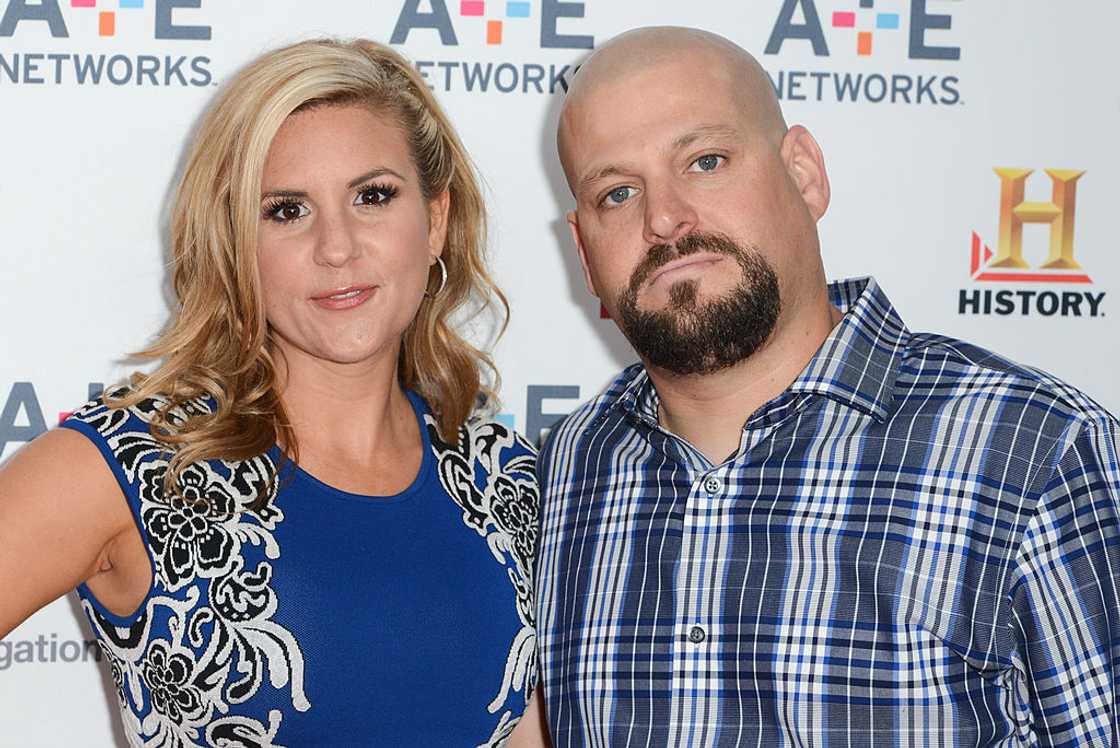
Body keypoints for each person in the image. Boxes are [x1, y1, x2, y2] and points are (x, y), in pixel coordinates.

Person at [535, 26, 1120, 746]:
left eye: (706, 160)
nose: (664, 218)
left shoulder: (1038, 451)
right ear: (585, 255)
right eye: (617, 192)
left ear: (804, 174)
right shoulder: (566, 468)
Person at [0, 38, 548, 747]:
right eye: (286, 211)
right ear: (233, 241)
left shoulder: (501, 472)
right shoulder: (131, 465)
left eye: (373, 196)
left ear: (435, 220)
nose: (338, 247)